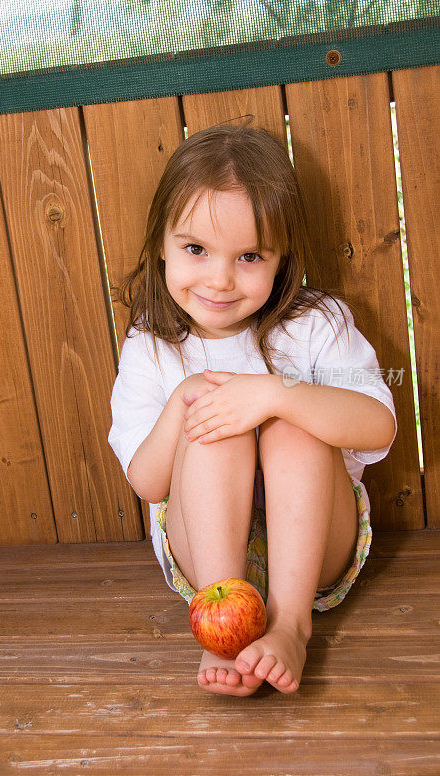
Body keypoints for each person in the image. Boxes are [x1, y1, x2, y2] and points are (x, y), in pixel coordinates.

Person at [108, 121, 397, 697]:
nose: (219, 279)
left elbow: (379, 425)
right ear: (159, 245)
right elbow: (146, 481)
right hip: (209, 557)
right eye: (195, 249)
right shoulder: (151, 344)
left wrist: (275, 394)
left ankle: (290, 626)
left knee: (295, 426)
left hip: (315, 550)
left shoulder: (317, 324)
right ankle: (230, 637)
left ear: (281, 257)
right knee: (208, 423)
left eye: (248, 256)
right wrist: (183, 406)